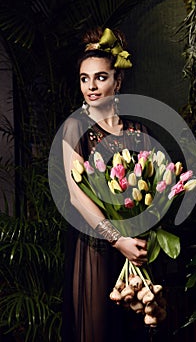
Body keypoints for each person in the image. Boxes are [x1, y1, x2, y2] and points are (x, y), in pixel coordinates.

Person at [61, 26, 154, 342]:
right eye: (84, 78)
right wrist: (118, 241)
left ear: (118, 80)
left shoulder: (137, 129)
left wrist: (139, 236)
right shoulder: (75, 127)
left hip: (134, 250)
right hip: (95, 247)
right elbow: (76, 196)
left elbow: (149, 191)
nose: (90, 86)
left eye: (100, 77)